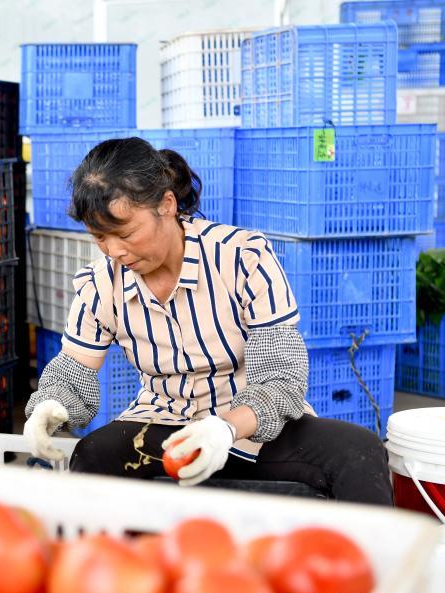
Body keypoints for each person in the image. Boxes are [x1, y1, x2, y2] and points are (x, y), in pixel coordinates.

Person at [23, 137, 393, 505]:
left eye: (126, 233)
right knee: (92, 456)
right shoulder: (101, 284)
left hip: (251, 426)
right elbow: (73, 374)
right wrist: (49, 406)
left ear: (167, 205)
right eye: (100, 237)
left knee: (359, 451)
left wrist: (226, 428)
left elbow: (282, 378)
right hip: (163, 427)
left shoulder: (242, 258)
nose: (115, 250)